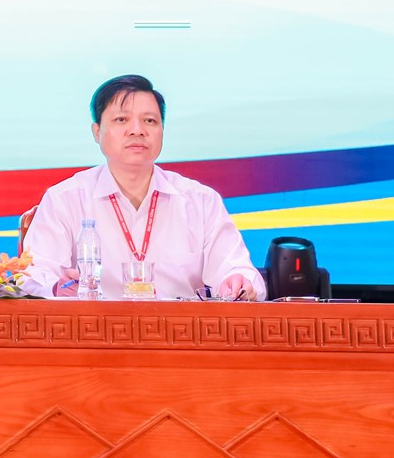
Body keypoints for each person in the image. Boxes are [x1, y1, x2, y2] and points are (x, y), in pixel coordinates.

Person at [23, 74, 264, 301]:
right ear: (97, 132)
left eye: (150, 121)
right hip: (94, 328)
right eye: (121, 120)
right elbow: (33, 278)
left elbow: (238, 271)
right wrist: (56, 288)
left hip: (179, 329)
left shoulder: (201, 201)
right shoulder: (64, 199)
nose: (137, 130)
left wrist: (238, 282)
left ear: (162, 131)